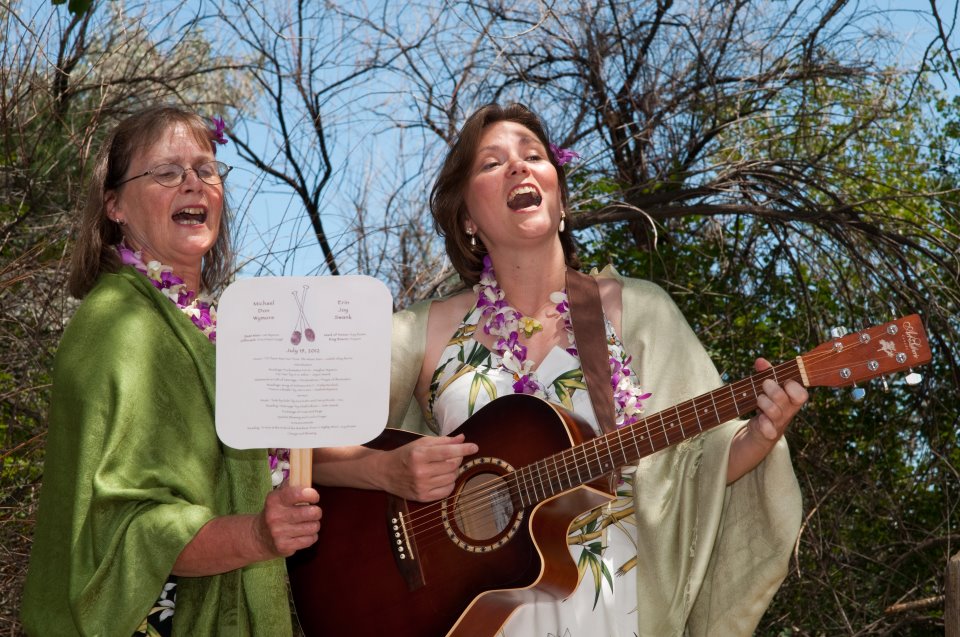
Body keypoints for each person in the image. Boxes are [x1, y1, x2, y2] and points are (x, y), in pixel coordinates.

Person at [312, 103, 806, 636]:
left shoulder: (637, 310)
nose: (520, 168)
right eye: (492, 163)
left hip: (619, 611)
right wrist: (386, 470)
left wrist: (759, 436)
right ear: (467, 220)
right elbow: (299, 452)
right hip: (481, 619)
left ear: (560, 196)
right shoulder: (420, 332)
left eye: (533, 156)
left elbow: (692, 474)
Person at [21, 106, 322, 636]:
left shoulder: (210, 325)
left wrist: (386, 468)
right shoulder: (116, 327)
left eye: (206, 170)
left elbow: (272, 448)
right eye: (167, 172)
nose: (194, 184)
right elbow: (126, 527)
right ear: (114, 205)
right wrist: (257, 536)